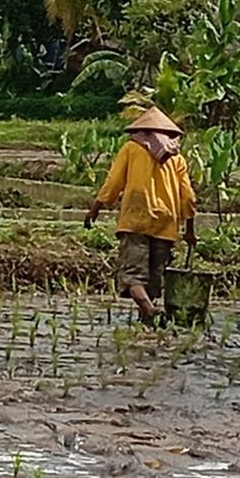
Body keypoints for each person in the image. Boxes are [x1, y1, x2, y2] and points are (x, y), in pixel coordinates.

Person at [84, 107, 196, 323]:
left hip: (136, 219)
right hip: (166, 223)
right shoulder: (177, 159)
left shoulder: (131, 149)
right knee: (154, 281)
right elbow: (188, 197)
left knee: (133, 276)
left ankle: (149, 310)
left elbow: (114, 182)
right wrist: (189, 230)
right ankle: (148, 321)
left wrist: (95, 208)